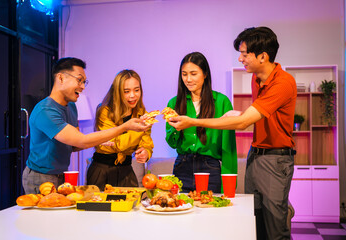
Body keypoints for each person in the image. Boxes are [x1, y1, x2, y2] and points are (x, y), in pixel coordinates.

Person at [168, 27, 297, 240]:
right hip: (256, 155)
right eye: (184, 74)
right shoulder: (257, 79)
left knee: (275, 226)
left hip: (275, 159)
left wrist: (192, 121)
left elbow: (244, 123)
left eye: (245, 53)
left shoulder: (282, 82)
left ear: (263, 56)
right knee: (255, 220)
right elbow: (257, 115)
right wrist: (239, 114)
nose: (240, 58)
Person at [22, 58, 150, 194]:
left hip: (60, 175)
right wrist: (124, 128)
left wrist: (102, 140)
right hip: (40, 177)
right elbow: (81, 141)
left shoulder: (71, 106)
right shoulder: (46, 111)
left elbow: (74, 146)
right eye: (79, 80)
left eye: (84, 82)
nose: (83, 87)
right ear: (60, 78)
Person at [165, 52, 237, 193]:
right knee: (181, 210)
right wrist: (176, 128)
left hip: (210, 168)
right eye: (184, 74)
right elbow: (172, 143)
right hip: (182, 167)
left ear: (205, 74)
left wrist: (228, 186)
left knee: (210, 212)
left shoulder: (222, 102)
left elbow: (228, 148)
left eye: (193, 74)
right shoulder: (174, 103)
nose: (188, 79)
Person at [86, 70, 154, 190]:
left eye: (136, 90)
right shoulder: (105, 111)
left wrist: (146, 152)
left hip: (127, 170)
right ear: (117, 92)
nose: (133, 95)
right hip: (102, 170)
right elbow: (117, 144)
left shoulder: (142, 113)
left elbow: (146, 142)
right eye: (126, 91)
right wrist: (140, 129)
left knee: (133, 207)